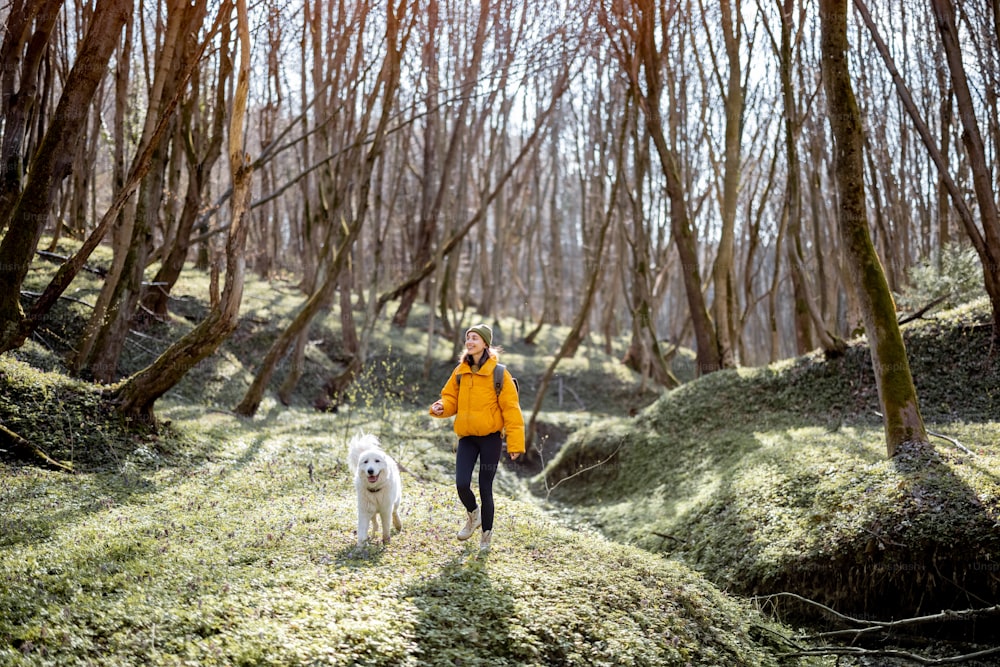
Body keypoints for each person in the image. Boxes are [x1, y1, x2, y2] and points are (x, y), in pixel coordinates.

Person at [429, 323, 524, 551]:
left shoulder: (499, 373)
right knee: (462, 483)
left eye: (475, 338)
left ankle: (486, 536)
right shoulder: (460, 371)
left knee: (485, 487)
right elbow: (451, 397)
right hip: (467, 437)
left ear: (485, 343)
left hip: (491, 438)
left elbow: (511, 409)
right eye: (468, 338)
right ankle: (473, 516)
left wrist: (515, 442)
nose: (470, 342)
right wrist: (442, 406)